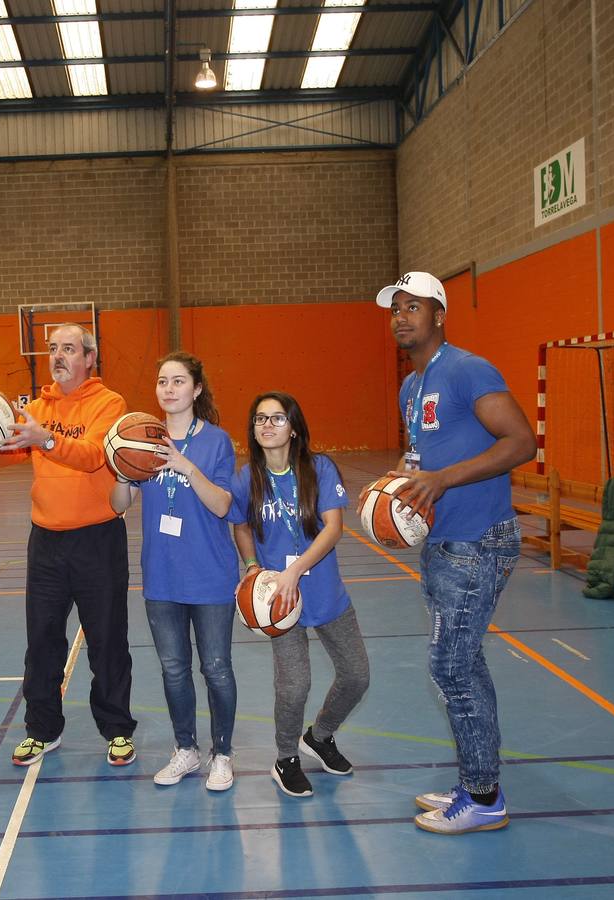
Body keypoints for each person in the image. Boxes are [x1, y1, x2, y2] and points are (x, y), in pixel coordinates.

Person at [376, 271, 537, 834]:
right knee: (466, 664)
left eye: (412, 306)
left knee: (449, 667)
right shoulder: (410, 386)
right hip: (442, 543)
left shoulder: (468, 368)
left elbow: (521, 441)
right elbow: (426, 456)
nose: (401, 316)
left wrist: (443, 479)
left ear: (439, 314)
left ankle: (484, 797)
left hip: (479, 541)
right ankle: (476, 778)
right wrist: (405, 477)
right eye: (395, 308)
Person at [0, 323, 136, 767]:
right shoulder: (37, 406)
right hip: (46, 544)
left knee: (107, 639)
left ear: (89, 357)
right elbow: (11, 446)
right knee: (41, 641)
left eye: (69, 349)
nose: (58, 356)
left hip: (97, 540)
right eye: (53, 349)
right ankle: (41, 729)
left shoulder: (108, 403)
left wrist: (46, 439)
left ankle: (116, 729)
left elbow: (94, 455)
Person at [228, 392, 370, 799]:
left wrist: (294, 570)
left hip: (325, 592)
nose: (267, 425)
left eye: (276, 418)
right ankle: (286, 757)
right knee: (294, 686)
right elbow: (240, 525)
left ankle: (320, 736)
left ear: (293, 426)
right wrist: (254, 568)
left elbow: (333, 528)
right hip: (280, 604)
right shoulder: (246, 477)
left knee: (357, 674)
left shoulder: (319, 468)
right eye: (260, 419)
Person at [110, 351, 238, 791]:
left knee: (217, 667)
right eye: (162, 381)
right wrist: (123, 475)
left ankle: (222, 753)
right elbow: (118, 508)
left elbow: (224, 505)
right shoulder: (142, 440)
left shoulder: (217, 442)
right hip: (162, 576)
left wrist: (186, 466)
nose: (168, 389)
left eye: (178, 381)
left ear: (196, 389)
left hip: (210, 575)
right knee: (173, 669)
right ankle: (186, 749)